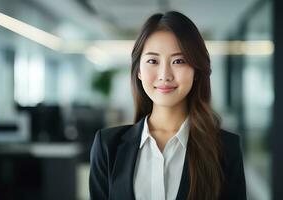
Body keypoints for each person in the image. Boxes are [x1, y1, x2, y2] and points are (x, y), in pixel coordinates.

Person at [89, 11, 246, 200]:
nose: (165, 75)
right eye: (153, 61)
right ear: (138, 70)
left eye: (178, 61)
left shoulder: (226, 149)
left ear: (196, 71)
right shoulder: (107, 146)